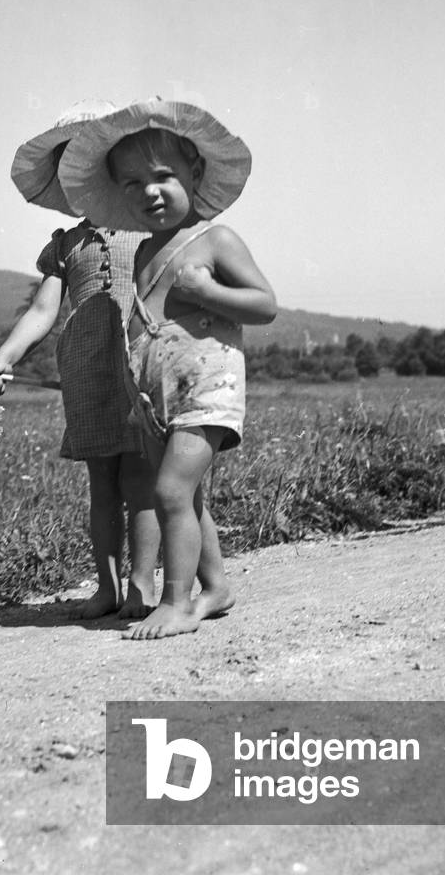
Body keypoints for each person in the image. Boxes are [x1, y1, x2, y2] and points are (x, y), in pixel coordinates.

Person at [59, 100, 277, 639]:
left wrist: (209, 291)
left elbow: (265, 304)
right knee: (187, 496)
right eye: (131, 184)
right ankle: (216, 585)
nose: (149, 192)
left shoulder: (216, 240)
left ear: (195, 174)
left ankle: (177, 603)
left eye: (162, 177)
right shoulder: (144, 251)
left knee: (170, 493)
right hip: (158, 397)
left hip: (207, 390)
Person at [0, 102, 159, 620]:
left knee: (142, 481)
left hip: (140, 369)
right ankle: (105, 589)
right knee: (102, 483)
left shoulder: (148, 230)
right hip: (86, 374)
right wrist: (5, 355)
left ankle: (141, 586)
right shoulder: (66, 245)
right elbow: (43, 310)